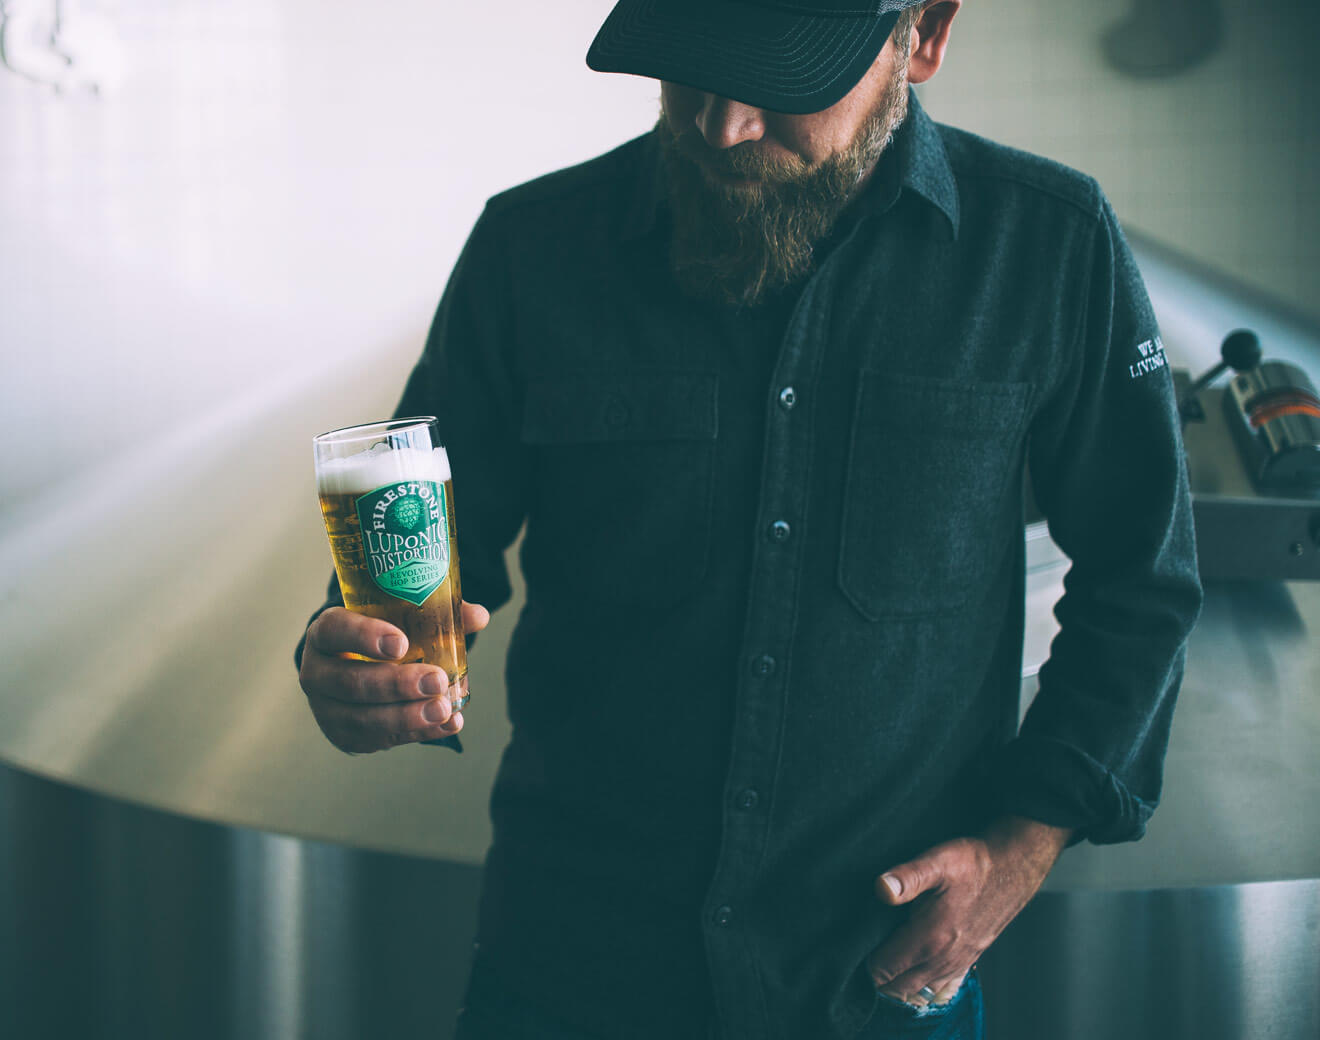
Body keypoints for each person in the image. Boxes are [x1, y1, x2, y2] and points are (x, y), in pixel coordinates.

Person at [296, 1, 1203, 1037]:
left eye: (779, 75)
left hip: (876, 986)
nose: (720, 124)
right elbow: (425, 548)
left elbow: (1144, 579)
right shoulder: (530, 247)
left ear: (926, 34)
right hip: (568, 971)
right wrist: (354, 654)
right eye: (687, 70)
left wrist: (1024, 844)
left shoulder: (1049, 249)